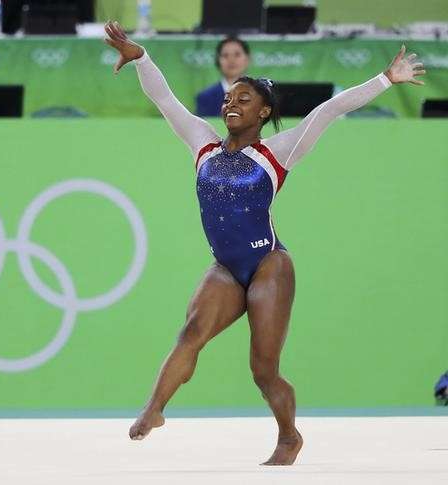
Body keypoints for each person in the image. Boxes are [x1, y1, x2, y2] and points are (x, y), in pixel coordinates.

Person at [104, 20, 425, 465]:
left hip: (269, 263)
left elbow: (328, 111)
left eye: (244, 100)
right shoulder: (203, 144)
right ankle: (154, 410)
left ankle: (289, 436)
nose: (231, 104)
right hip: (226, 266)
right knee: (191, 332)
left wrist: (386, 79)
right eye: (229, 98)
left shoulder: (280, 150)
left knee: (263, 370)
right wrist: (142, 58)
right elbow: (164, 99)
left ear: (263, 112)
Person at [196, 37, 250, 117]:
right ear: (218, 60)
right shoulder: (205, 98)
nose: (231, 60)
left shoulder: (260, 95)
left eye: (237, 54)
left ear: (247, 59)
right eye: (225, 55)